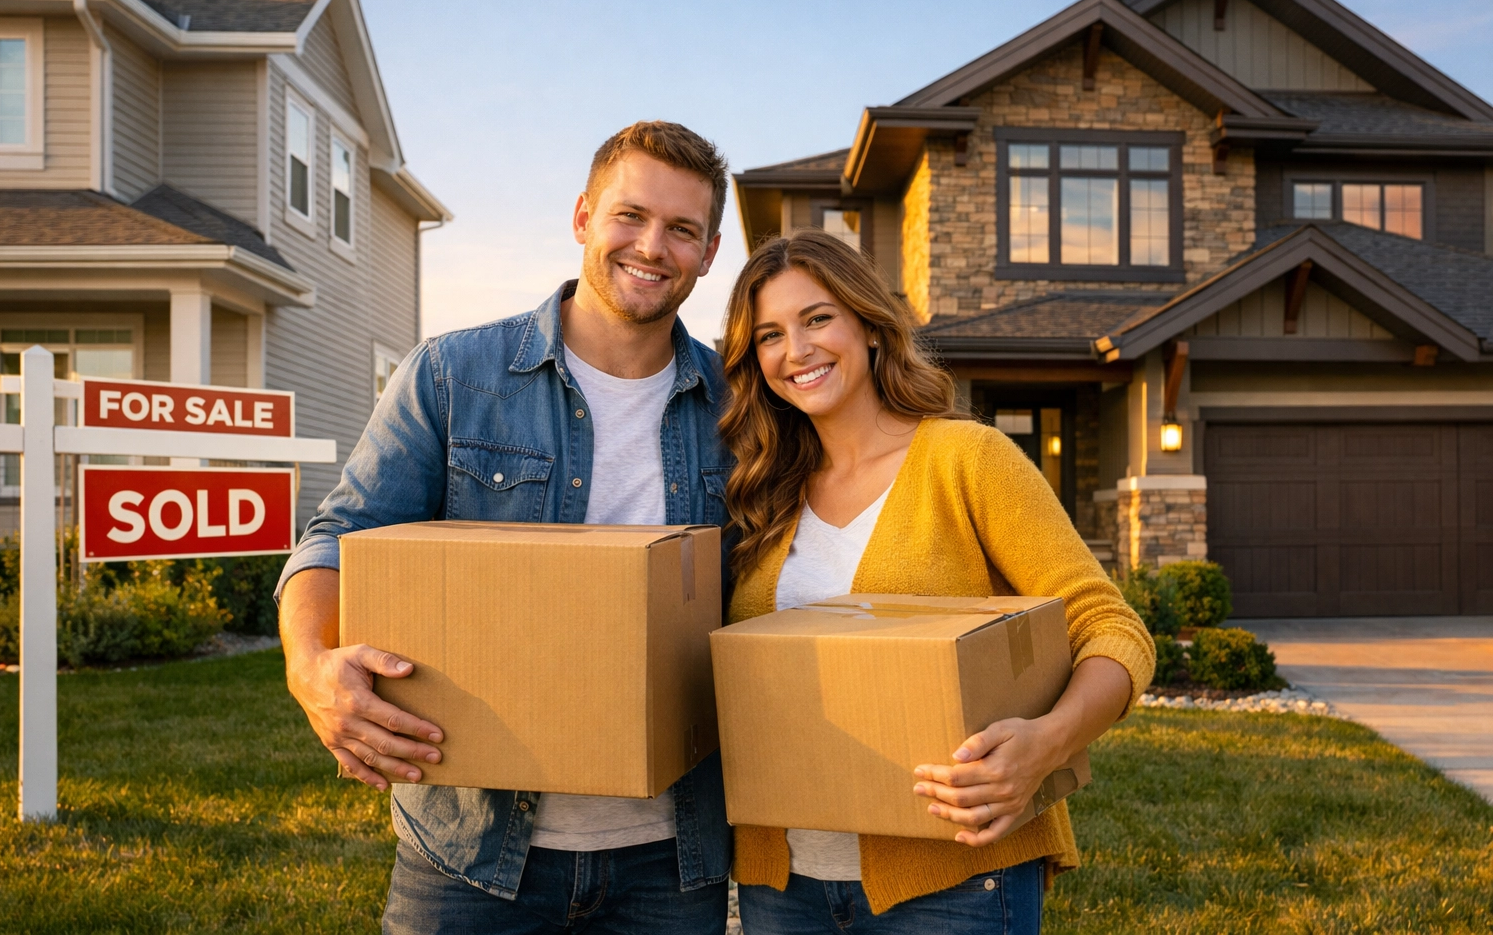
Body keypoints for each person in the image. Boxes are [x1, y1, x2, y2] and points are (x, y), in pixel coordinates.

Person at [277, 121, 736, 934]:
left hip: (671, 858)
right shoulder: (453, 376)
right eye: (630, 216)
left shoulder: (743, 406)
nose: (651, 246)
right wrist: (310, 665)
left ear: (708, 253)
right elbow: (340, 535)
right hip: (472, 846)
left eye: (681, 229)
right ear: (583, 217)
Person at [717, 229, 1155, 934]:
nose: (795, 350)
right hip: (785, 885)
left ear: (869, 325)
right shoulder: (765, 492)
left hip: (956, 877)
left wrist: (1047, 745)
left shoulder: (967, 459)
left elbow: (1111, 627)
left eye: (817, 318)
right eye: (769, 335)